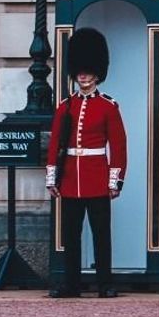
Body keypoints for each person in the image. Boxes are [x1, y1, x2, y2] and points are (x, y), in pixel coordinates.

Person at [45, 27, 127, 299]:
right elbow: (56, 143)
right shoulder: (65, 106)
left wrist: (114, 180)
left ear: (97, 73)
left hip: (96, 177)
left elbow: (118, 146)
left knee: (101, 235)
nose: (83, 75)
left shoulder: (107, 106)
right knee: (71, 236)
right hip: (70, 178)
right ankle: (72, 284)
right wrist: (52, 177)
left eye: (88, 70)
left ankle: (105, 283)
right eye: (80, 70)